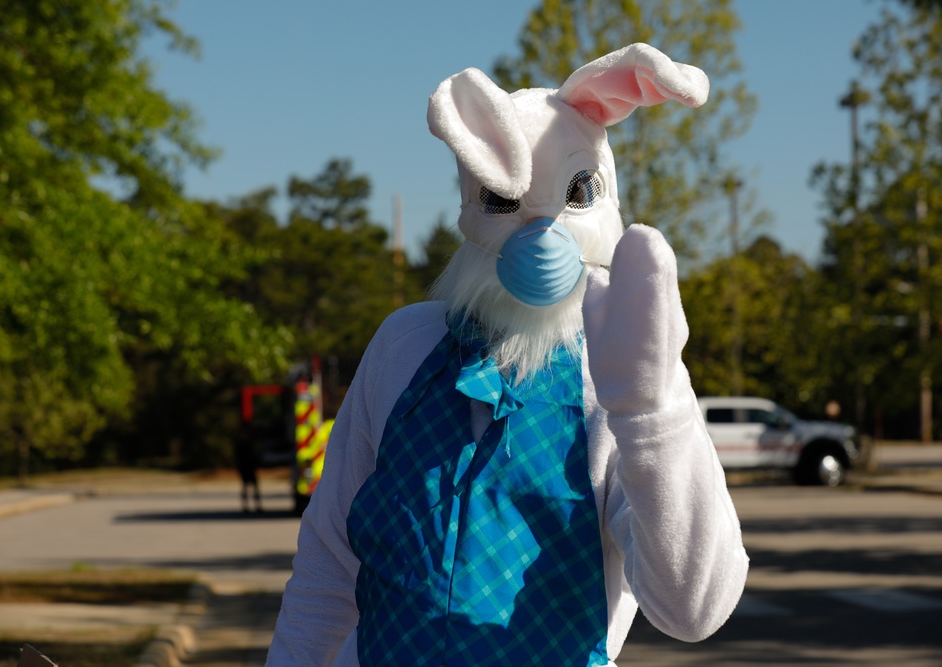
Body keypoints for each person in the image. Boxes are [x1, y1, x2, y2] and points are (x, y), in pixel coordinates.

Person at [266, 43, 748, 666]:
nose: (540, 236)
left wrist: (653, 411)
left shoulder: (619, 372)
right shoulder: (404, 347)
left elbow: (693, 608)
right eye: (504, 202)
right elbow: (330, 564)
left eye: (574, 195)